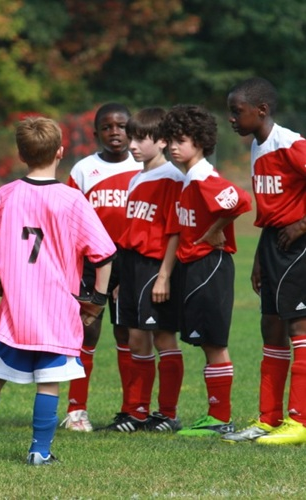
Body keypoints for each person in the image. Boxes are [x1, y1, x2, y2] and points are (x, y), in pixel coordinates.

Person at [0, 117, 116, 465]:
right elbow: (104, 254)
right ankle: (39, 450)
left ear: (21, 155)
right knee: (48, 383)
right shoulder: (71, 199)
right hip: (58, 310)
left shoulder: (7, 194)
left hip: (16, 310)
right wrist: (96, 300)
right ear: (60, 152)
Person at [159, 105, 252, 437]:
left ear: (199, 142)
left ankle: (220, 418)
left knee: (214, 342)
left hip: (209, 267)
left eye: (180, 140)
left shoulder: (203, 178)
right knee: (207, 341)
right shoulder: (189, 179)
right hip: (194, 267)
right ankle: (216, 415)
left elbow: (241, 201)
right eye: (169, 140)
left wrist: (217, 230)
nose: (172, 146)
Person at [222, 78, 306, 444]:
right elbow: (269, 210)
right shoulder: (258, 147)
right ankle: (269, 419)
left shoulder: (290, 144)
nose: (231, 119)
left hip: (297, 245)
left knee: (298, 330)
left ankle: (299, 422)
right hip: (273, 244)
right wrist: (259, 258)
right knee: (270, 328)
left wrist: (302, 224)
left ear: (262, 110)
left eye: (236, 112)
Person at [62, 102, 142, 432]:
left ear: (131, 131)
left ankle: (129, 410)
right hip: (91, 263)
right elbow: (69, 218)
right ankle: (76, 410)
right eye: (107, 127)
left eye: (121, 126)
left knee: (126, 332)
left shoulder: (143, 168)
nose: (115, 133)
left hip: (130, 262)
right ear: (96, 133)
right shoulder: (83, 170)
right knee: (87, 330)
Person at [112, 108, 185, 432]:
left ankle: (167, 414)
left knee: (163, 337)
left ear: (163, 141)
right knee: (135, 338)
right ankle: (137, 412)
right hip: (131, 265)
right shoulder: (137, 177)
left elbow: (175, 230)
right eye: (133, 137)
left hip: (156, 265)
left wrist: (165, 275)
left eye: (141, 138)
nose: (133, 144)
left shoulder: (173, 177)